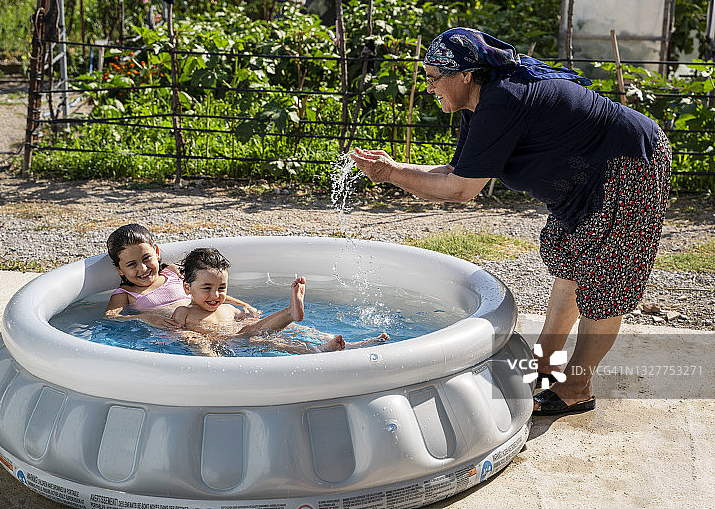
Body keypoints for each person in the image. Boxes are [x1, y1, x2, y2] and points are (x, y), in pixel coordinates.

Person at [349, 27, 671, 416]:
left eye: (435, 78)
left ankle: (577, 385)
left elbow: (460, 190)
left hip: (627, 163)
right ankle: (546, 363)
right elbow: (457, 169)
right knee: (572, 261)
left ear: (465, 74)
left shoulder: (503, 99)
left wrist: (389, 176)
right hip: (586, 175)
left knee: (606, 281)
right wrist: (395, 167)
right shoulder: (479, 101)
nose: (430, 88)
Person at [171, 247, 389, 355]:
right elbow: (175, 333)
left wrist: (248, 312)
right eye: (207, 288)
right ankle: (312, 345)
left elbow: (246, 319)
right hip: (226, 343)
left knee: (287, 331)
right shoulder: (184, 313)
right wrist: (201, 347)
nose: (215, 295)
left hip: (243, 334)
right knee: (260, 338)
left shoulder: (228, 308)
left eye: (222, 288)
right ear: (187, 288)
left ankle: (346, 345)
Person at [104, 224, 256, 329]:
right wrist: (144, 318)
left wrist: (242, 304)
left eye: (146, 258)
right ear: (120, 269)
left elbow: (206, 290)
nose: (143, 268)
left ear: (156, 252)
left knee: (253, 332)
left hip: (210, 318)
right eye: (132, 265)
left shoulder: (171, 272)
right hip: (182, 330)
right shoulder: (125, 293)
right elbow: (110, 317)